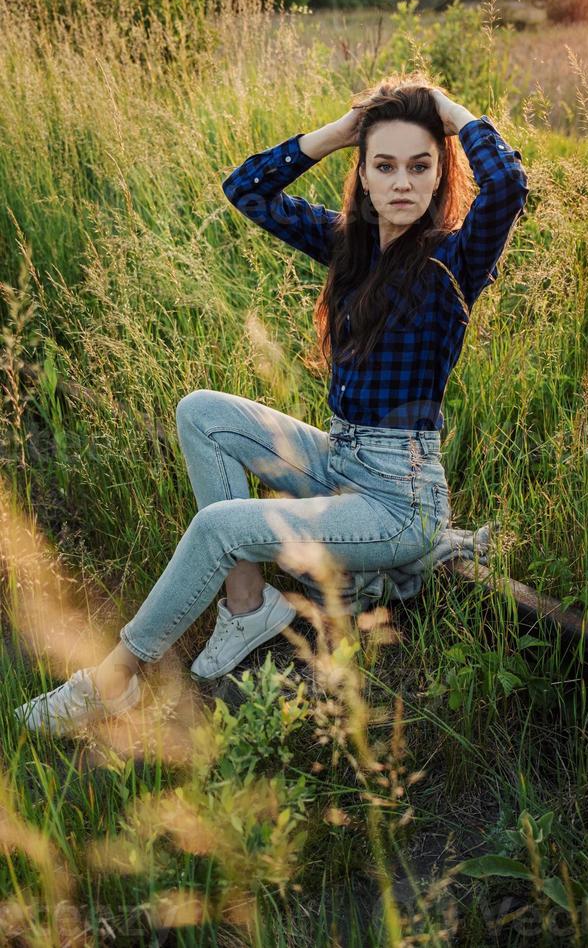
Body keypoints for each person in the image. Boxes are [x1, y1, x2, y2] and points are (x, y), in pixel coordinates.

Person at [14, 74, 529, 735]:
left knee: (222, 526)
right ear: (365, 175)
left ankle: (113, 679)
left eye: (419, 165)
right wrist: (339, 133)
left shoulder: (454, 261)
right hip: (341, 460)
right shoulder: (351, 246)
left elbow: (508, 184)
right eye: (384, 164)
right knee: (201, 411)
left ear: (439, 175)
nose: (402, 182)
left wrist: (450, 114)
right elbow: (247, 189)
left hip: (400, 503)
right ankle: (248, 603)